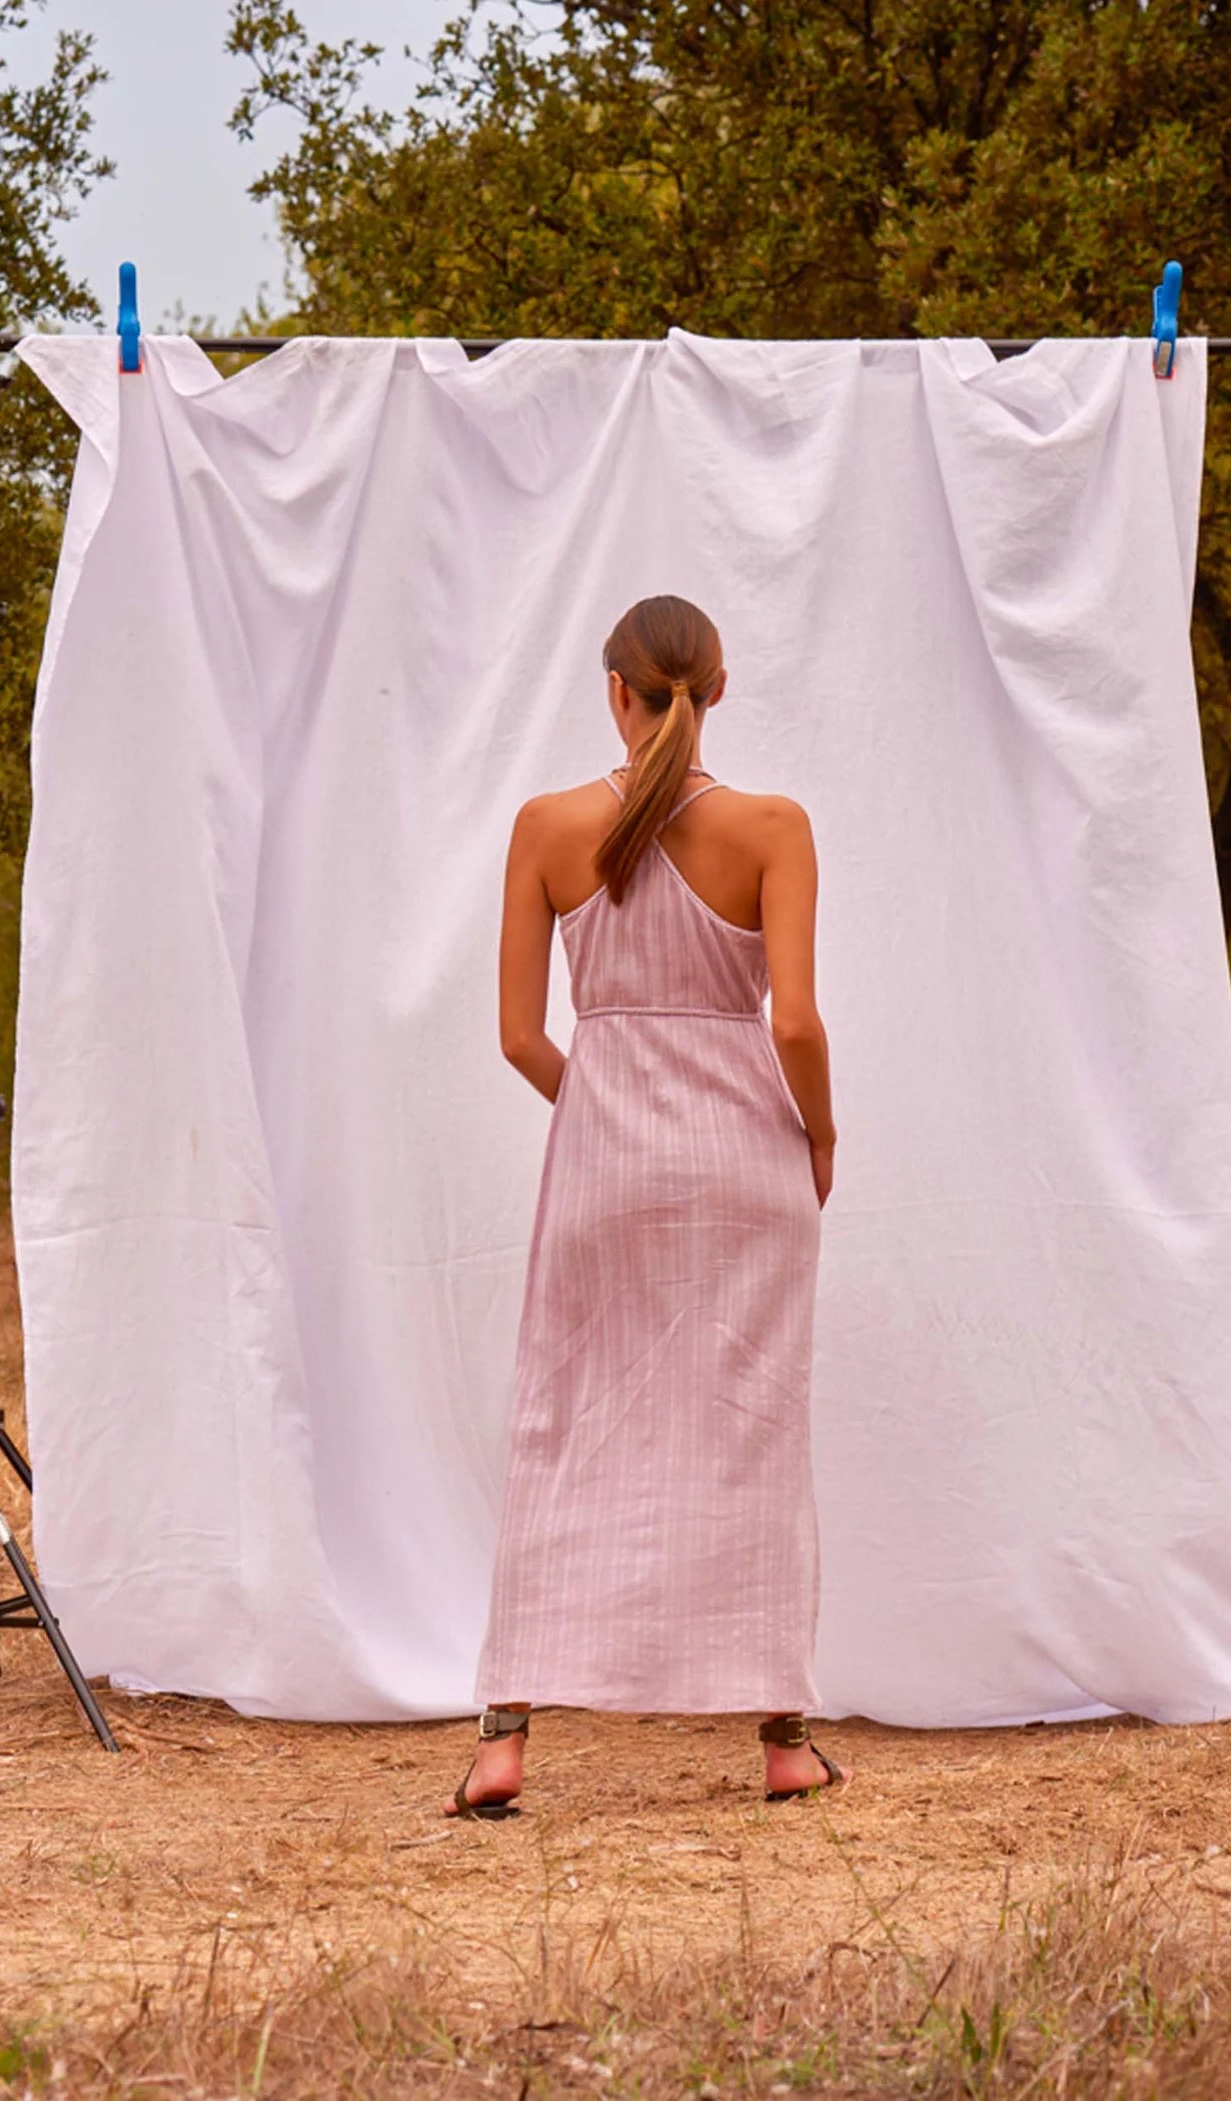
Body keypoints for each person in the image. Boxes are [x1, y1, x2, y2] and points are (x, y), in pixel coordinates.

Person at [445, 593, 847, 1818]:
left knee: (562, 1419)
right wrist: (818, 1133)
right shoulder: (773, 827)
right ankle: (782, 1740)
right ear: (716, 691)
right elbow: (791, 1020)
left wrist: (604, 1106)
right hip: (746, 1167)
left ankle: (503, 1738)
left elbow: (520, 1036)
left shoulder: (545, 826)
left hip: (602, 1170)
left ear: (613, 691)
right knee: (748, 1428)